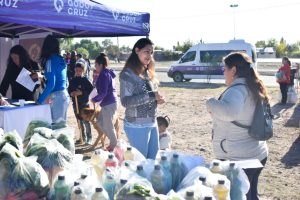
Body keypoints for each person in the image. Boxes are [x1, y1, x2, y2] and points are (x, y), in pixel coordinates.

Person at [206, 52, 268, 200]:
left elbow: (229, 112)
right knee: (251, 194)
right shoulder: (252, 86)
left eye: (225, 69)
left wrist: (210, 102)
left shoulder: (237, 89)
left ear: (233, 70)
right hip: (256, 152)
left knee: (240, 195)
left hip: (239, 157)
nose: (223, 72)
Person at [119, 38, 165, 159]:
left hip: (152, 122)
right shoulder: (127, 74)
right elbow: (125, 101)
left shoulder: (148, 72)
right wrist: (151, 96)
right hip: (136, 125)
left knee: (153, 161)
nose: (149, 55)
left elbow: (150, 94)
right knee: (141, 164)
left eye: (151, 52)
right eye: (147, 51)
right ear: (137, 50)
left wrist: (157, 99)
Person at [37, 35, 70, 124]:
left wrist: (40, 100)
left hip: (58, 98)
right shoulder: (61, 59)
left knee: (57, 130)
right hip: (64, 96)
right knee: (60, 128)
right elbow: (66, 82)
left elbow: (52, 84)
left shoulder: (50, 60)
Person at [91, 53, 118, 151]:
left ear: (100, 64)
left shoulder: (104, 74)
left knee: (108, 126)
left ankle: (114, 145)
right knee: (99, 122)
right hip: (109, 102)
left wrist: (94, 99)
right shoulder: (108, 72)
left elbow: (103, 92)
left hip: (109, 103)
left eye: (96, 65)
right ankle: (114, 141)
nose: (95, 67)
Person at [68, 62, 94, 144]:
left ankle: (89, 137)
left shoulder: (85, 80)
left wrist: (82, 92)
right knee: (79, 121)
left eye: (80, 70)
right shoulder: (72, 80)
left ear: (83, 70)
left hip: (84, 104)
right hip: (76, 104)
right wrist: (71, 93)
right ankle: (82, 137)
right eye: (76, 70)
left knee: (86, 121)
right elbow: (69, 90)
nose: (78, 72)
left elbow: (91, 90)